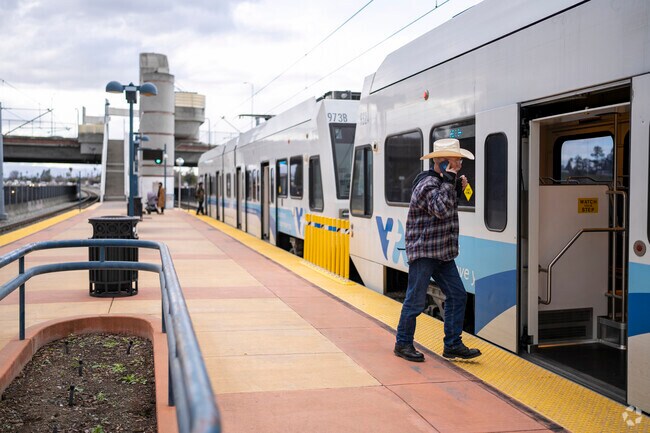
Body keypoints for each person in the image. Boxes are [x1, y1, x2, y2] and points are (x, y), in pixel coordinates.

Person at [394, 138, 482, 362]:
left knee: (457, 295)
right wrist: (451, 180)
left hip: (442, 252)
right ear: (443, 163)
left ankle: (452, 345)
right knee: (415, 299)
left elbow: (446, 207)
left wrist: (457, 190)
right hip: (425, 251)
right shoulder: (427, 184)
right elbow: (441, 209)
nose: (460, 163)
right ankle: (402, 343)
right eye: (456, 160)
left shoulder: (444, 183)